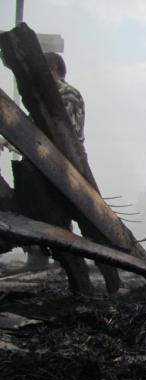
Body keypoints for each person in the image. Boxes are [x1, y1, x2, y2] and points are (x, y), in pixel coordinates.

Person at [22, 53, 86, 271]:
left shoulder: (66, 93)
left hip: (60, 164)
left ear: (54, 68)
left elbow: (62, 133)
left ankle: (65, 263)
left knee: (56, 210)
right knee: (39, 207)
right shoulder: (47, 96)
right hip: (44, 160)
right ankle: (42, 259)